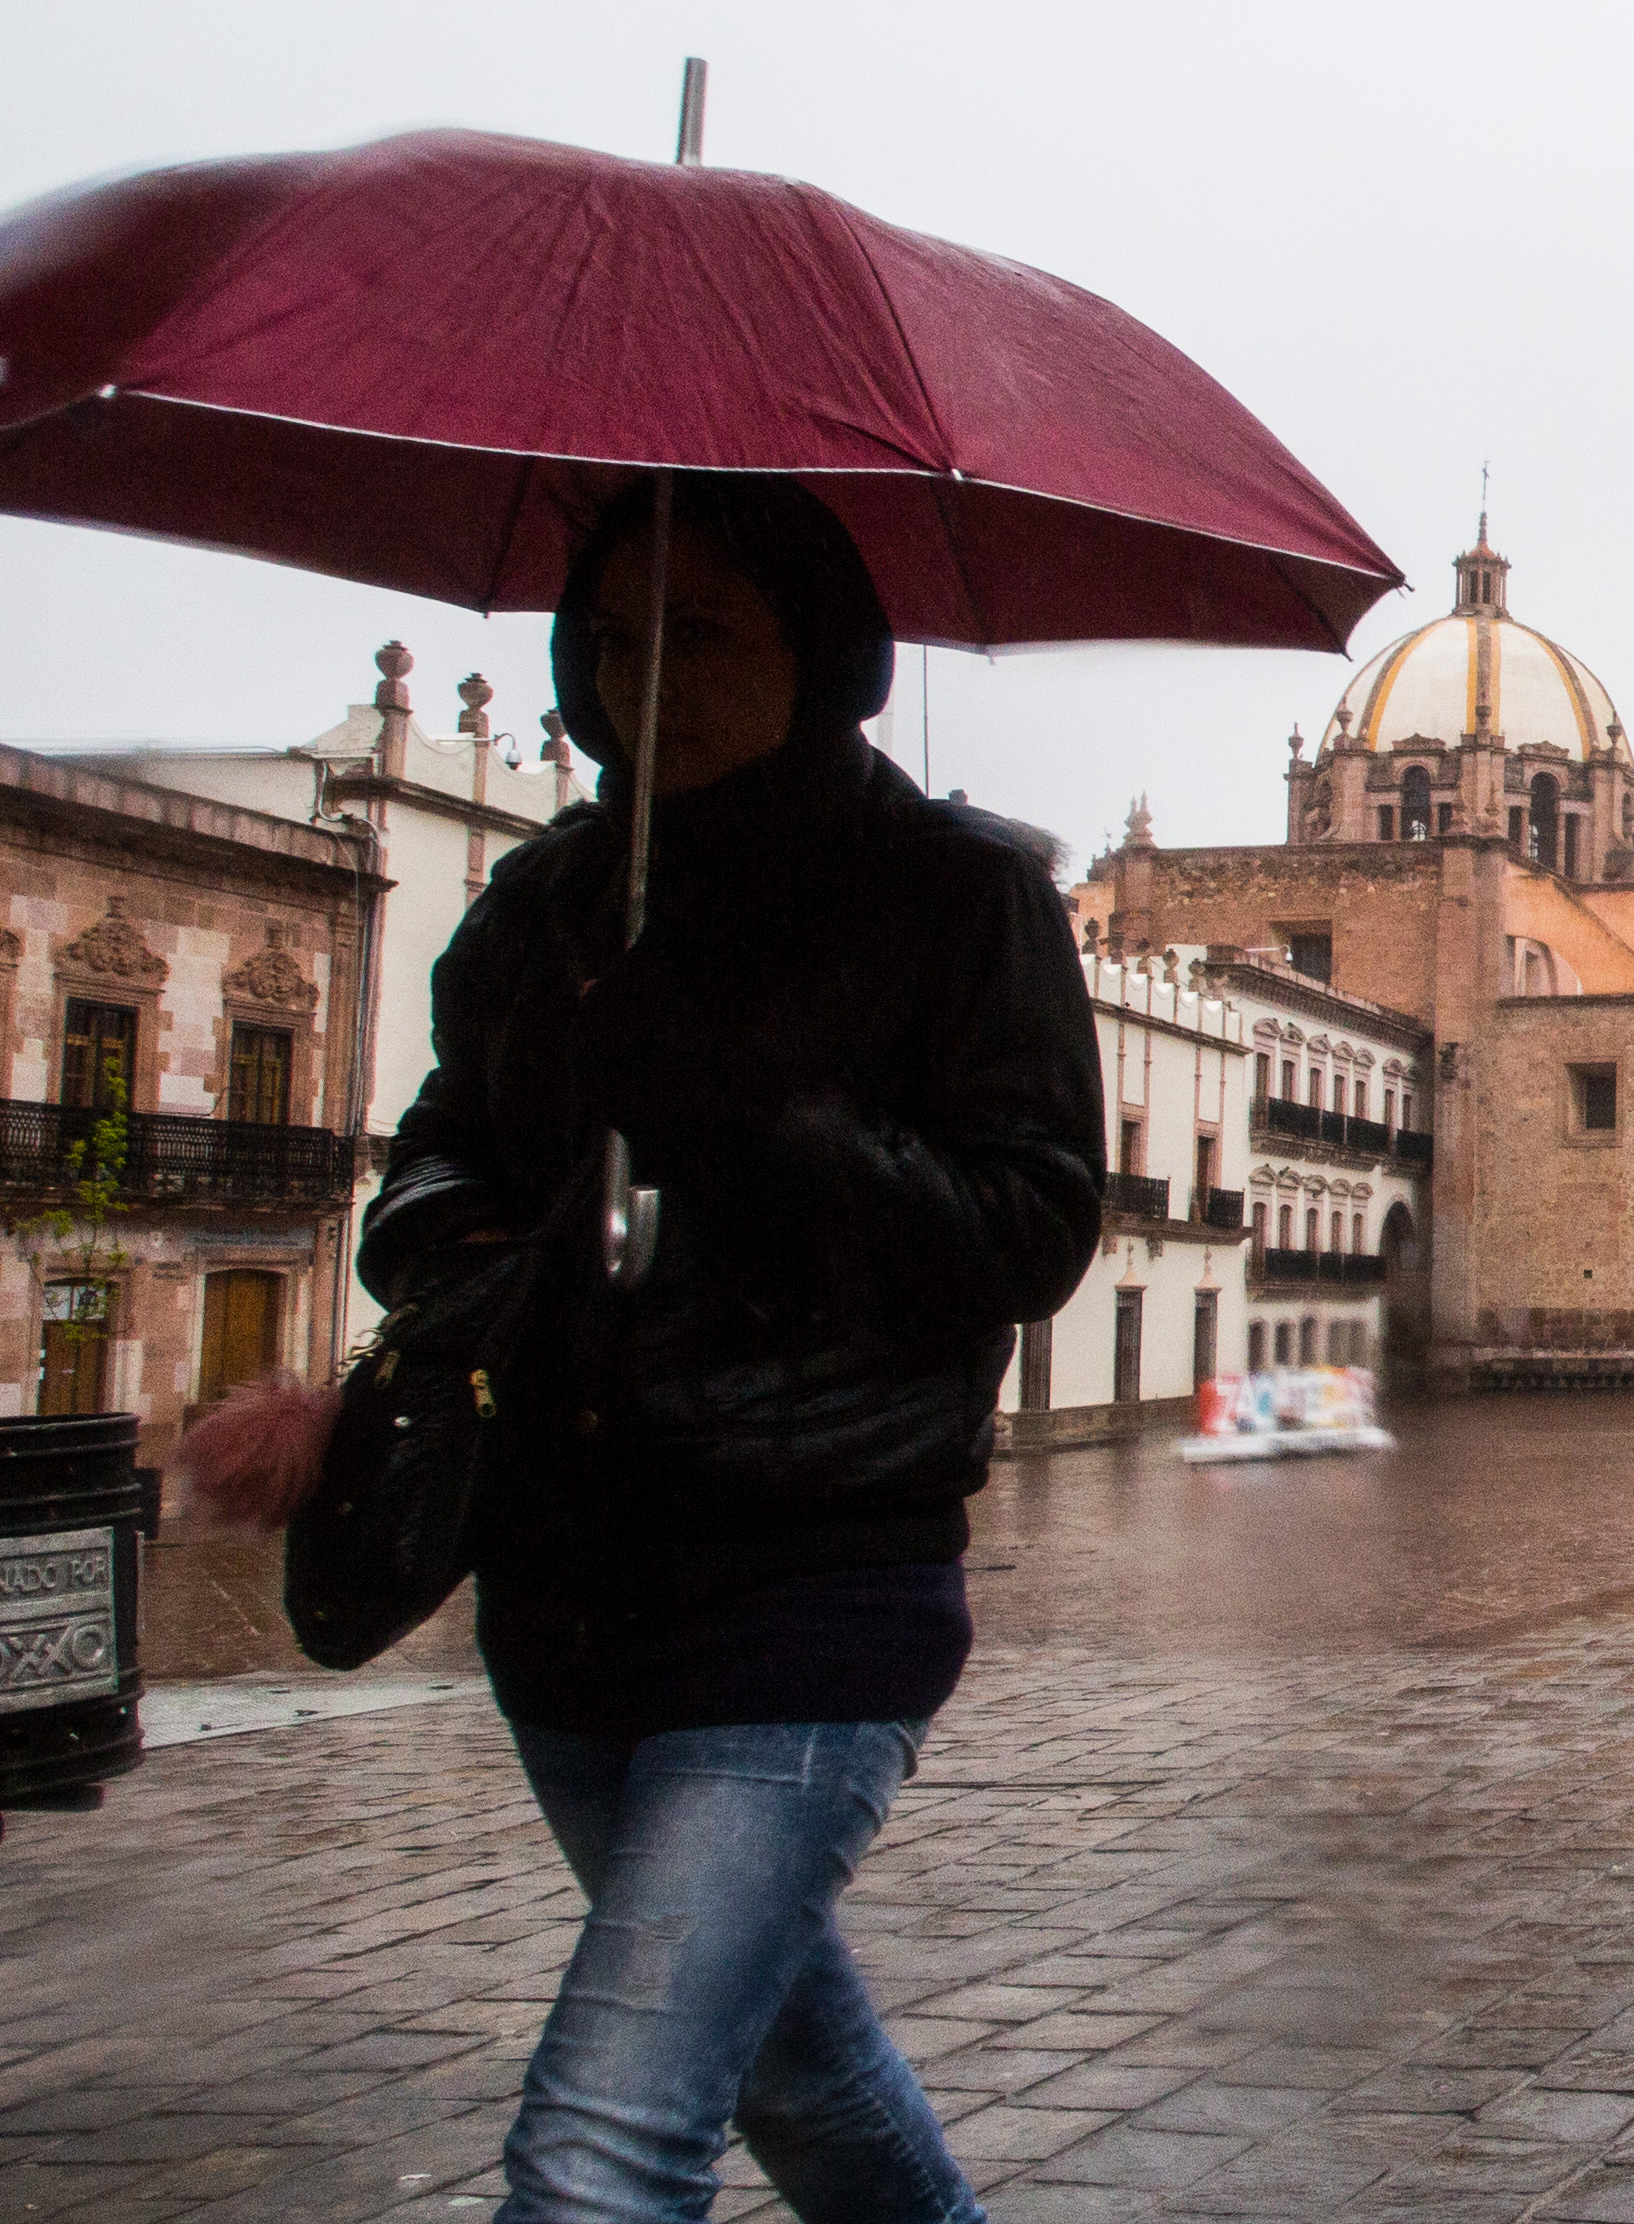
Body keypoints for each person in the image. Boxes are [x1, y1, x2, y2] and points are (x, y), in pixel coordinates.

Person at [361, 477, 1103, 2223]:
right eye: (611, 636)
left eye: (699, 632)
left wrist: (745, 1112)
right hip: (560, 1584)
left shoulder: (958, 896)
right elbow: (429, 1157)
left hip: (814, 1580)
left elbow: (1034, 1226)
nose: (642, 678)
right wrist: (467, 1236)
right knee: (793, 2067)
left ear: (821, 650)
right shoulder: (545, 900)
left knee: (602, 2146)